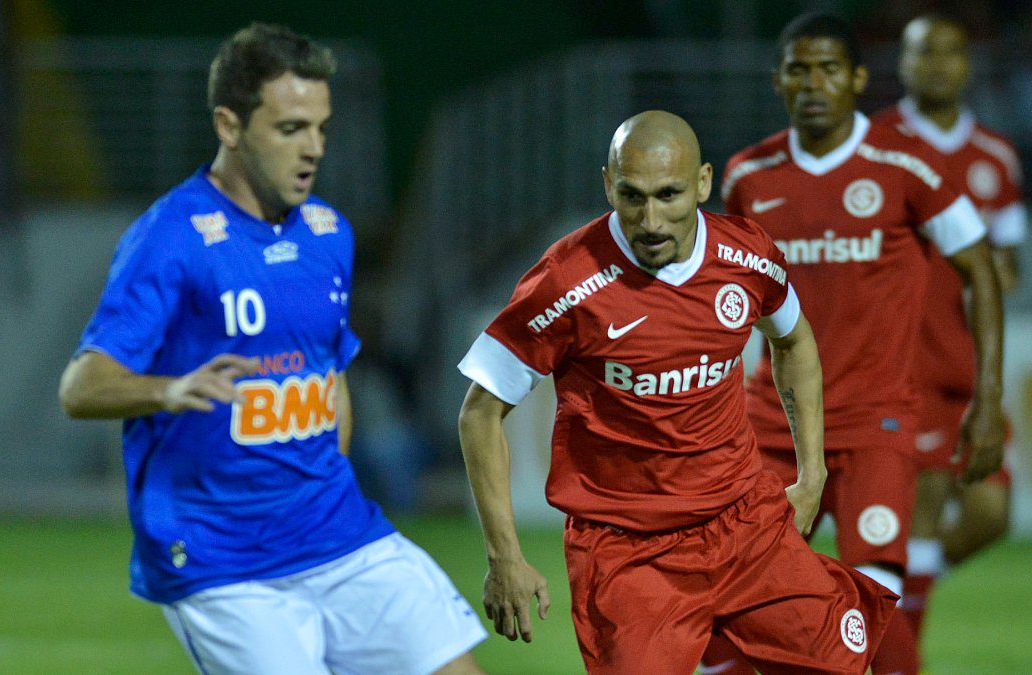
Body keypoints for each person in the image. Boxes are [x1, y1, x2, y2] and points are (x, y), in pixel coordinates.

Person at [58, 22, 485, 675]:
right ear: (229, 126)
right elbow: (82, 386)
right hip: (221, 562)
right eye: (291, 129)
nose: (313, 148)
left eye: (321, 127)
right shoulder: (169, 238)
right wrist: (167, 390)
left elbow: (329, 371)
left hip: (339, 535)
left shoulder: (327, 233)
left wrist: (321, 476)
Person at [457, 109, 898, 675]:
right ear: (607, 186)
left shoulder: (747, 257)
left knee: (843, 667)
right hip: (628, 551)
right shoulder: (567, 282)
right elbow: (479, 414)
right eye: (631, 196)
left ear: (704, 183)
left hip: (743, 524)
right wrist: (504, 557)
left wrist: (811, 475)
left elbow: (794, 342)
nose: (651, 219)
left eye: (668, 194)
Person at [699, 12, 1005, 675]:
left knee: (875, 592)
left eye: (829, 69)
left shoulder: (906, 165)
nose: (814, 84)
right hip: (773, 423)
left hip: (874, 418)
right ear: (778, 79)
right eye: (799, 69)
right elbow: (728, 301)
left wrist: (989, 398)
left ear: (857, 79)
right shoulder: (749, 175)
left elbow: (981, 268)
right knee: (738, 592)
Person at [872, 12, 1026, 650]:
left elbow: (1010, 259)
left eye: (950, 52)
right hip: (905, 365)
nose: (937, 64)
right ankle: (901, 648)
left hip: (966, 364)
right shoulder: (875, 144)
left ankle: (885, 603)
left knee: (991, 516)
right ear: (901, 64)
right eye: (923, 52)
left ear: (967, 64)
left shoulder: (995, 156)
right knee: (925, 515)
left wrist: (998, 272)